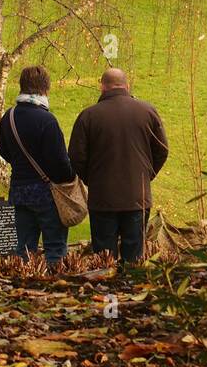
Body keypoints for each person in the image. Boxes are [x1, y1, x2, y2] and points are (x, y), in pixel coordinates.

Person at [69, 68, 168, 264]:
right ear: (127, 86)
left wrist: (93, 179)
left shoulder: (88, 116)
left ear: (102, 87)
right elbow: (162, 150)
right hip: (137, 195)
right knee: (134, 256)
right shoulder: (147, 111)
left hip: (102, 197)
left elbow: (76, 157)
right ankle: (131, 290)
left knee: (104, 258)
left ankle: (106, 293)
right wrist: (147, 175)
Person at [0, 65, 74, 268]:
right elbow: (59, 162)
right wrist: (70, 176)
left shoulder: (9, 117)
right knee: (55, 248)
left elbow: (4, 152)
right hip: (46, 194)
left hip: (18, 190)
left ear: (21, 86)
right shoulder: (47, 120)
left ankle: (19, 287)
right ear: (45, 89)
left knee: (21, 249)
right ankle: (53, 290)